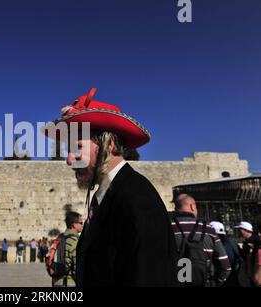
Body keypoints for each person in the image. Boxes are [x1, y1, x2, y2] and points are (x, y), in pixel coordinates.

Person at [44, 88, 178, 286]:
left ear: (110, 145)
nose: (69, 160)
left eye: (77, 147)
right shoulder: (109, 196)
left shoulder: (136, 199)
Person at [172, 194, 231, 286]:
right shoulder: (208, 229)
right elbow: (226, 266)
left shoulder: (166, 228)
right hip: (204, 282)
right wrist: (216, 283)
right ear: (192, 206)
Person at [53, 212, 83, 287]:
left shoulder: (60, 237)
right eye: (81, 223)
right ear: (74, 224)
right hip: (68, 282)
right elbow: (77, 264)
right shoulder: (73, 240)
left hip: (56, 281)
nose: (83, 225)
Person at [235, 221, 260, 287]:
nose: (238, 231)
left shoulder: (257, 240)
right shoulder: (246, 241)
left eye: (240, 229)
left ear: (246, 230)